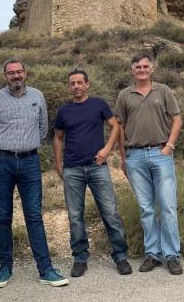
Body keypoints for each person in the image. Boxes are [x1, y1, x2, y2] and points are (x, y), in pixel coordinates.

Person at [0, 59, 68, 288]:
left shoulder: (37, 96)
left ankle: (46, 269)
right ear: (5, 76)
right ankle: (4, 268)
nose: (15, 76)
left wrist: (27, 146)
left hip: (30, 161)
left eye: (19, 71)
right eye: (11, 73)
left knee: (34, 216)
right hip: (2, 162)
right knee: (3, 216)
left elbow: (43, 128)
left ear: (25, 73)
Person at [53, 68, 132, 277]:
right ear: (69, 86)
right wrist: (58, 164)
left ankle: (121, 256)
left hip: (97, 167)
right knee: (75, 216)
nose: (76, 86)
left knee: (110, 212)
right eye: (73, 83)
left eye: (80, 82)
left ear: (87, 84)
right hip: (72, 169)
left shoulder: (99, 104)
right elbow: (58, 138)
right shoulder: (64, 111)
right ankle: (80, 258)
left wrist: (107, 150)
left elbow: (115, 126)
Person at [115, 52, 183, 275]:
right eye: (138, 67)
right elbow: (120, 127)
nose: (142, 70)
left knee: (168, 207)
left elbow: (177, 119)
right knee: (146, 208)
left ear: (151, 69)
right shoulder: (125, 95)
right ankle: (152, 254)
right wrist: (123, 158)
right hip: (135, 157)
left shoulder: (163, 91)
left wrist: (169, 147)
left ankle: (172, 255)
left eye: (145, 67)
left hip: (160, 153)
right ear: (132, 70)